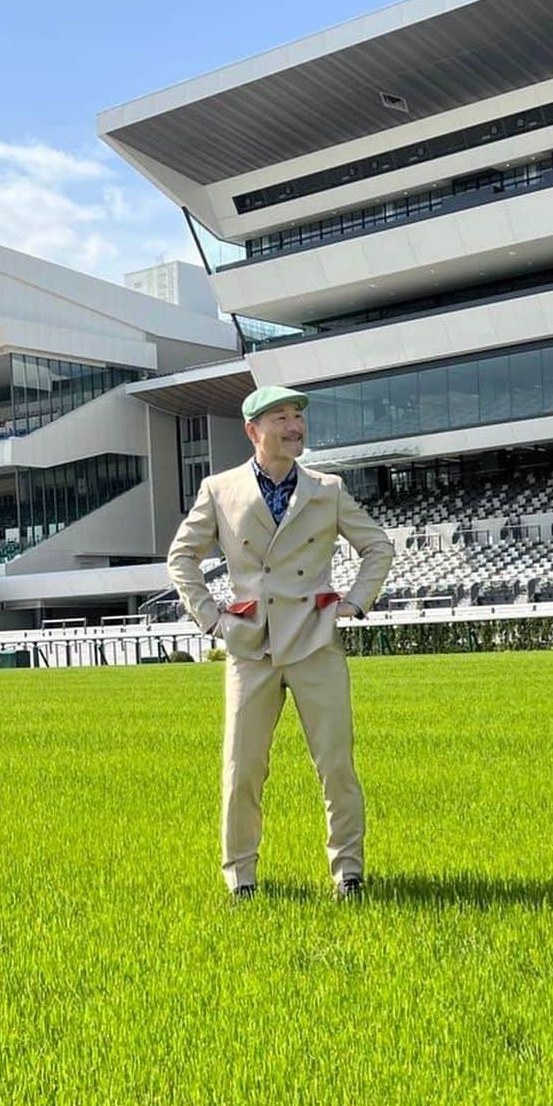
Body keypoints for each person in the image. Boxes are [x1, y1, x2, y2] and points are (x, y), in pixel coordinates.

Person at [167, 384, 393, 903]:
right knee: (242, 767)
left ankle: (349, 872)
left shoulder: (327, 488)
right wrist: (211, 619)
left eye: (298, 417)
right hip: (250, 648)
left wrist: (353, 604)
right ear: (253, 431)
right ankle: (240, 876)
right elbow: (182, 558)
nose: (295, 427)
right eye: (281, 419)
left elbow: (377, 547)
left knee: (336, 763)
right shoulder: (218, 489)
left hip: (315, 642)